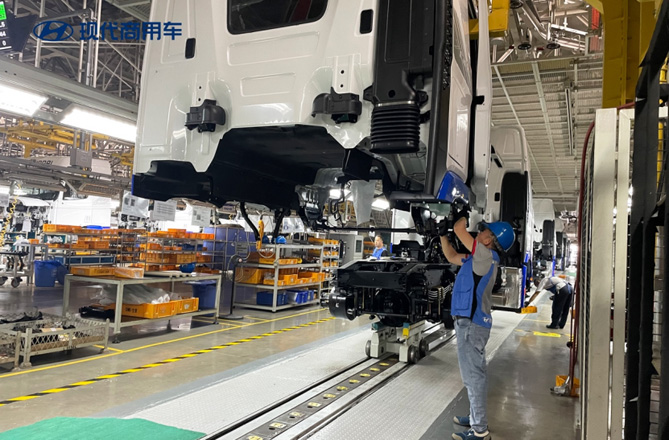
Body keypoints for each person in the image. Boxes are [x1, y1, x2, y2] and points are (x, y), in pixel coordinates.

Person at [439, 209, 516, 440]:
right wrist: (442, 236)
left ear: (489, 240)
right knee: (475, 374)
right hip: (472, 323)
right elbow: (451, 256)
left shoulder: (484, 256)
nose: (479, 232)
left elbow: (459, 229)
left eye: (484, 231)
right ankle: (476, 417)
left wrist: (461, 213)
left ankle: (480, 430)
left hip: (472, 324)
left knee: (473, 377)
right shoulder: (479, 258)